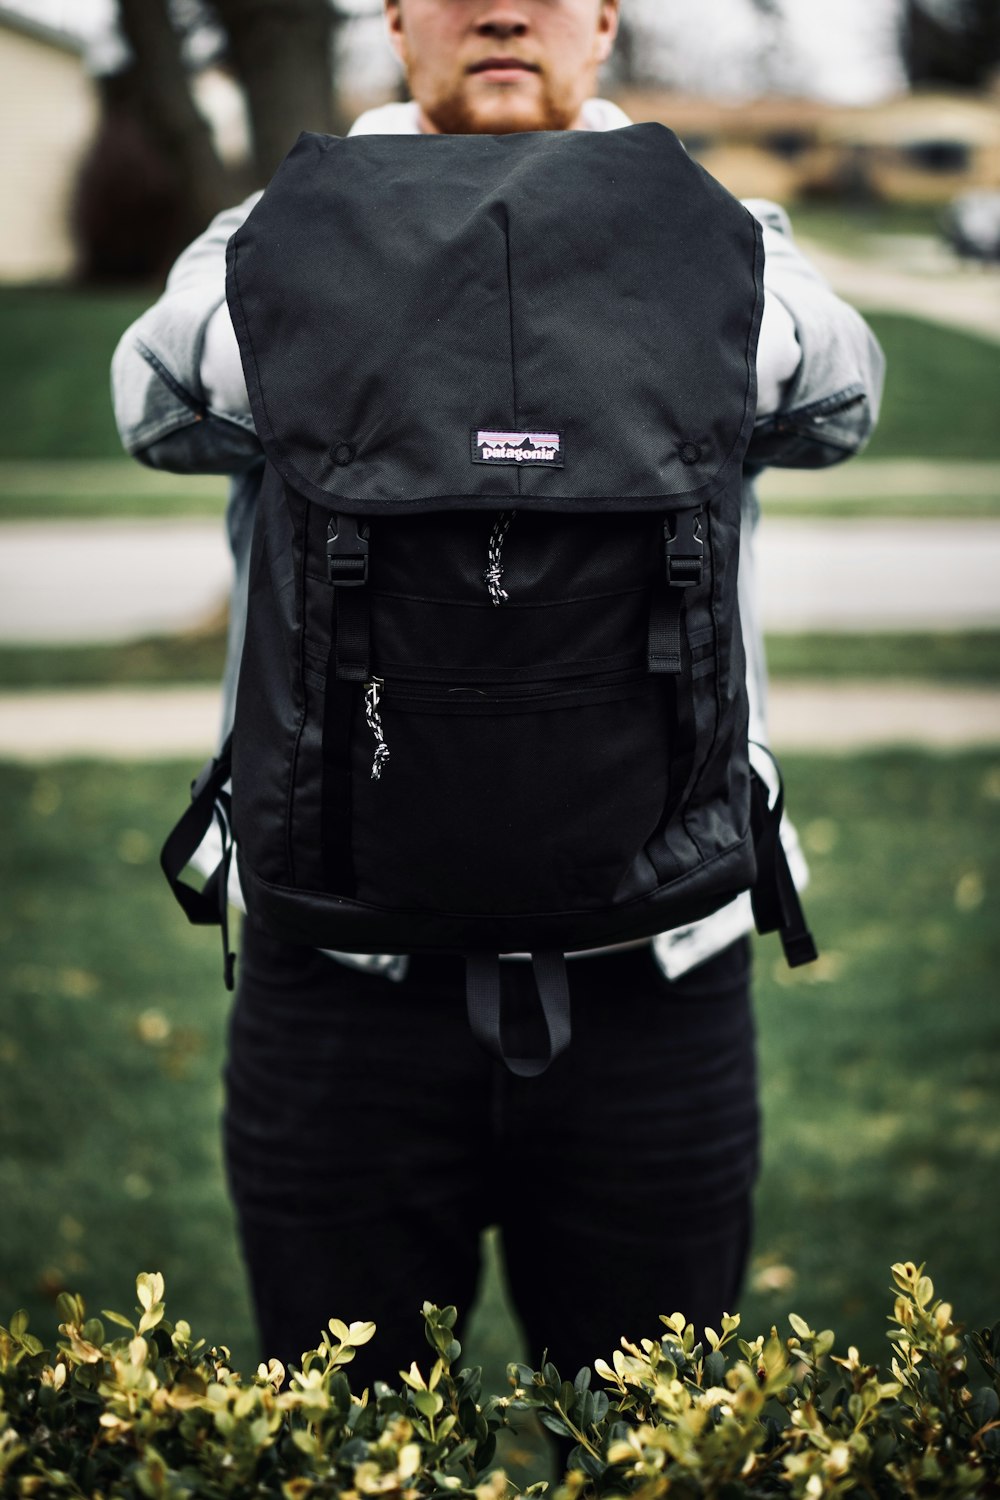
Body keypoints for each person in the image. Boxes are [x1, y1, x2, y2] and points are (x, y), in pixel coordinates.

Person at [112, 0, 885, 1387]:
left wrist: (581, 260)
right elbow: (154, 401)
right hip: (341, 986)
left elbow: (841, 395)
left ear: (602, 22)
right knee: (337, 1449)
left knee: (663, 1450)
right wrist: (490, 293)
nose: (506, 10)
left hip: (659, 974)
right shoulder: (281, 224)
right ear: (400, 20)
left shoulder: (715, 225)